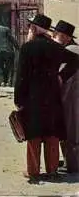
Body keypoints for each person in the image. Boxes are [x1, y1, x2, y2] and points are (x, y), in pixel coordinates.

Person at [14, 14, 78, 181]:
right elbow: (75, 60)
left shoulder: (27, 48)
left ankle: (33, 172)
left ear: (34, 29)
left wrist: (18, 100)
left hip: (32, 98)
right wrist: (61, 76)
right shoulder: (55, 47)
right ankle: (52, 171)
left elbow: (20, 77)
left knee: (33, 136)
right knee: (52, 135)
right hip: (52, 97)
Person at [52, 20, 79, 173]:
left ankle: (73, 164)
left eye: (59, 34)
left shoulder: (72, 51)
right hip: (69, 97)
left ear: (67, 37)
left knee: (71, 131)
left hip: (71, 98)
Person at [0, 22, 19, 87]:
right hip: (7, 50)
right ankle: (8, 81)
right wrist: (17, 47)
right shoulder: (6, 29)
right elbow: (11, 39)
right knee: (9, 66)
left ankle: (1, 81)